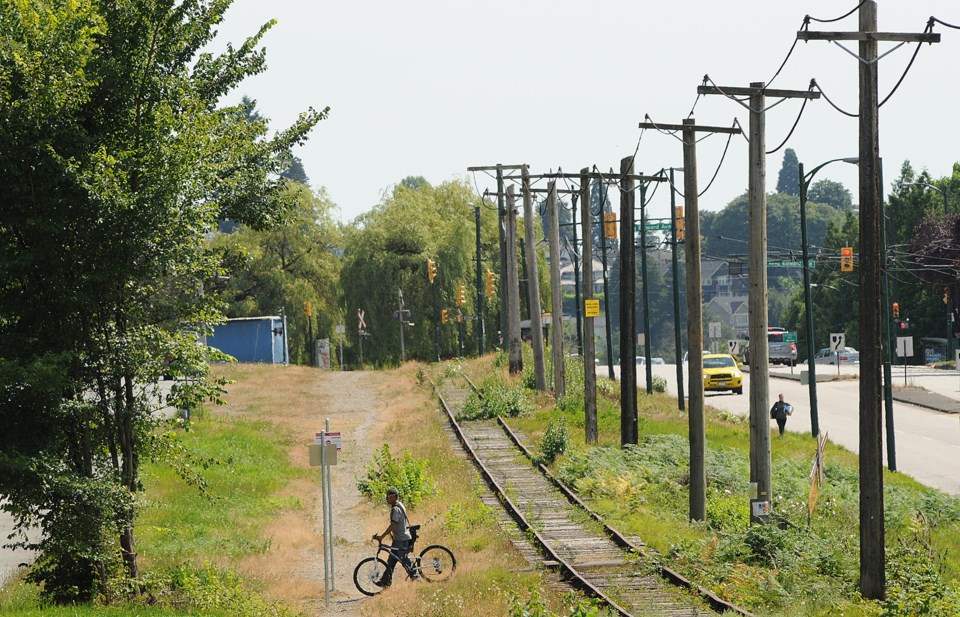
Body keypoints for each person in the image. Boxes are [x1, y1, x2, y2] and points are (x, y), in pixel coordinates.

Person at [372, 487, 418, 586]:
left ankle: (415, 577)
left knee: (404, 560)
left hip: (401, 539)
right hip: (399, 538)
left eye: (388, 496)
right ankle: (385, 581)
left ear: (393, 497)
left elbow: (393, 525)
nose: (386, 498)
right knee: (391, 561)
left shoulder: (396, 509)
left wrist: (381, 537)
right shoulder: (400, 504)